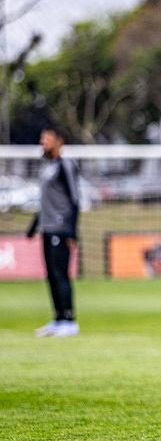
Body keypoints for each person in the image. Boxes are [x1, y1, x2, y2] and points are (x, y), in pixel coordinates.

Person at [27, 125, 81, 338]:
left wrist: (72, 232)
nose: (43, 142)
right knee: (51, 275)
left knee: (61, 274)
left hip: (61, 228)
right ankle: (58, 318)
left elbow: (75, 200)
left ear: (59, 142)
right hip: (48, 228)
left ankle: (69, 319)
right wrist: (33, 227)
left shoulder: (65, 165)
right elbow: (46, 202)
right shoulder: (46, 166)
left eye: (47, 138)